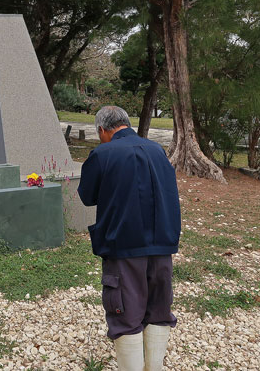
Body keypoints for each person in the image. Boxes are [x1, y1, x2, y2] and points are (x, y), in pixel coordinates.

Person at [78, 106, 181, 371]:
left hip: (123, 245)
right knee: (159, 310)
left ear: (102, 130)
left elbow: (87, 195)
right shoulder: (157, 151)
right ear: (126, 123)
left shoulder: (102, 154)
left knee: (124, 313)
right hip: (162, 243)